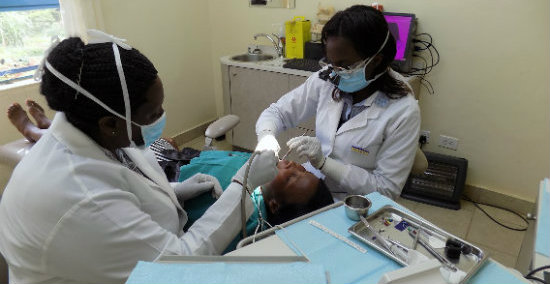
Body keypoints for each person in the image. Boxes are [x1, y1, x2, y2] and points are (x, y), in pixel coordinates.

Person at [0, 30, 278, 284]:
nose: (161, 118)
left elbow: (120, 181)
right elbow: (179, 264)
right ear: (109, 123)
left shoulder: (89, 129)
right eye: (152, 114)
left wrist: (174, 191)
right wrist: (243, 186)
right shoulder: (81, 198)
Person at [256, 5, 420, 200]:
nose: (335, 72)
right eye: (331, 62)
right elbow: (277, 113)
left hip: (356, 201)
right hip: (311, 183)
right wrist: (267, 137)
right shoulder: (327, 78)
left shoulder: (403, 110)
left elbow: (386, 190)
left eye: (344, 65)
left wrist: (325, 163)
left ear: (375, 61)